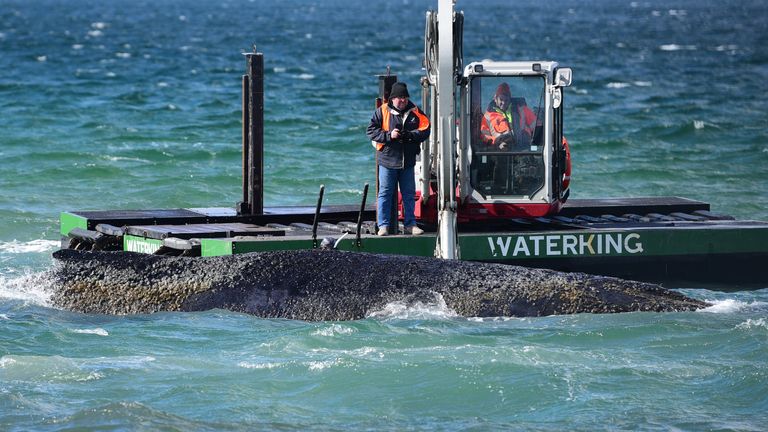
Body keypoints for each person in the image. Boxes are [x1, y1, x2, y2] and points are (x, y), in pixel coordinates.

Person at [366, 82, 430, 236]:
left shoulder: (415, 111)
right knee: (385, 193)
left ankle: (410, 225)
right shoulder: (382, 111)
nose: (403, 100)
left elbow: (426, 129)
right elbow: (371, 131)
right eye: (400, 98)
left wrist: (410, 135)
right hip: (387, 161)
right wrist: (390, 136)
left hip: (407, 162)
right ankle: (383, 226)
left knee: (409, 194)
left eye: (405, 97)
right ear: (393, 98)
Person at [480, 83, 536, 150]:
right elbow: (485, 136)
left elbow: (537, 127)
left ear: (510, 99)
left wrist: (527, 138)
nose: (503, 103)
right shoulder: (487, 116)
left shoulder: (522, 110)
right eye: (501, 99)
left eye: (506, 100)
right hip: (499, 153)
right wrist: (498, 142)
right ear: (495, 99)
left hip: (523, 150)